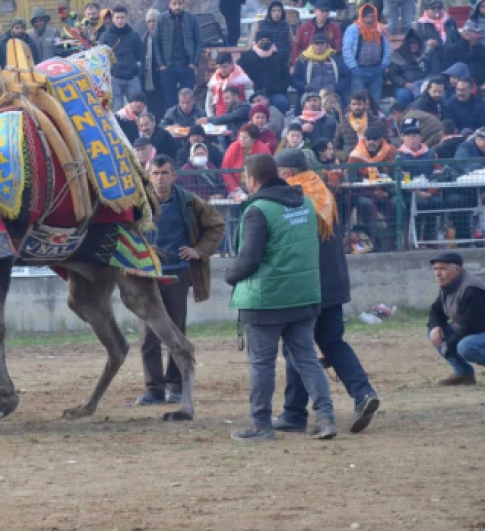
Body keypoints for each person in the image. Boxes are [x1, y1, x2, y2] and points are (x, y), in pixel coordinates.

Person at [225, 153, 337, 441]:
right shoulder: (306, 204)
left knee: (262, 363)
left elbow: (250, 258)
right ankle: (325, 418)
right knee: (306, 358)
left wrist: (229, 274)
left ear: (252, 179)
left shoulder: (257, 210)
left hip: (267, 301)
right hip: (304, 296)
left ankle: (261, 424)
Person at [273, 149, 381, 434]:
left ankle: (294, 413)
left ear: (288, 172)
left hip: (308, 285)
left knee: (298, 347)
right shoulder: (321, 192)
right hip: (333, 284)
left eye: (278, 173)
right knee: (333, 343)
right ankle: (363, 393)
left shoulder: (294, 198)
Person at [135, 156, 223, 405]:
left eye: (164, 173)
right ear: (148, 176)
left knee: (175, 330)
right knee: (148, 334)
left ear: (174, 176)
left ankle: (175, 386)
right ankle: (154, 389)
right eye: (155, 173)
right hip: (145, 276)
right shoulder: (138, 203)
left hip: (177, 273)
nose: (160, 178)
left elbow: (216, 224)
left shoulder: (188, 201)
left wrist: (199, 251)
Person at [426, 252, 485, 386]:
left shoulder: (472, 288)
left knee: (467, 346)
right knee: (433, 332)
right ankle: (463, 374)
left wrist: (449, 343)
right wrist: (435, 327)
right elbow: (436, 310)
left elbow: (472, 325)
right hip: (472, 331)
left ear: (457, 269)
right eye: (435, 269)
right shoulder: (449, 285)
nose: (437, 273)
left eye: (443, 269)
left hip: (478, 330)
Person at [155, 0, 203, 108]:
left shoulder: (191, 19)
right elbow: (156, 43)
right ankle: (171, 124)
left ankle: (188, 123)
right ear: (169, 4)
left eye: (180, 3)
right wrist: (161, 64)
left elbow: (199, 41)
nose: (177, 6)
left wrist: (194, 62)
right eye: (174, 3)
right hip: (168, 66)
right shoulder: (162, 19)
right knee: (169, 100)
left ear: (184, 4)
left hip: (187, 65)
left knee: (187, 99)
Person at [96, 5, 144, 107]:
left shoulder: (134, 36)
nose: (120, 21)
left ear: (126, 18)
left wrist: (138, 75)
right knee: (117, 110)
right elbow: (100, 58)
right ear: (113, 19)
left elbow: (141, 56)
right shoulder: (105, 36)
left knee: (136, 109)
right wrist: (108, 75)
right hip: (114, 79)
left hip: (132, 78)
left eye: (122, 18)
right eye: (117, 18)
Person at [342, 4, 391, 98]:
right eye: (367, 16)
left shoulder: (380, 29)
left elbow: (387, 48)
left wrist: (384, 65)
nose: (369, 19)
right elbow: (347, 49)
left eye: (372, 16)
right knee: (358, 99)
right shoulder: (352, 29)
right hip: (358, 70)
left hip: (377, 70)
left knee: (375, 100)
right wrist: (353, 67)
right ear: (361, 16)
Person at [292, 34, 350, 109]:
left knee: (337, 105)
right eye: (316, 44)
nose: (319, 46)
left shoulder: (336, 57)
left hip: (332, 93)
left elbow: (346, 76)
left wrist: (337, 87)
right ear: (312, 45)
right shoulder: (303, 60)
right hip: (311, 94)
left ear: (327, 45)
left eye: (322, 44)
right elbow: (295, 79)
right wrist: (305, 87)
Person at [238, 32, 289, 114]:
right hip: (253, 93)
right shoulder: (246, 57)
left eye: (267, 40)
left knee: (282, 103)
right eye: (262, 40)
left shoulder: (278, 57)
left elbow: (286, 77)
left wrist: (278, 89)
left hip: (274, 93)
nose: (265, 42)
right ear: (256, 41)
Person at [221, 124, 271, 194]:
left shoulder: (263, 150)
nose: (241, 139)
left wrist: (256, 189)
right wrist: (235, 189)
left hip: (257, 188)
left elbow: (266, 173)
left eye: (245, 137)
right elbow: (225, 169)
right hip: (236, 188)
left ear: (253, 139)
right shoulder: (233, 147)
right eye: (240, 136)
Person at [291, 0, 343, 66]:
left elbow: (338, 48)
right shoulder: (304, 27)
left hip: (328, 62)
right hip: (307, 61)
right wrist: (296, 64)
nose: (324, 14)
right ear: (315, 11)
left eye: (326, 11)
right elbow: (296, 46)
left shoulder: (334, 28)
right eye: (322, 11)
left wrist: (336, 63)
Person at [389, 29, 429, 106]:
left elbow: (434, 71)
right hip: (404, 87)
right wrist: (404, 83)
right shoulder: (398, 55)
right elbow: (392, 74)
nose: (413, 46)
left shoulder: (427, 55)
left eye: (415, 43)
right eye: (410, 43)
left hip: (424, 85)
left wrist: (425, 83)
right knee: (403, 96)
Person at [442, 22, 485, 88]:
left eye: (480, 33)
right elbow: (447, 71)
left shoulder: (483, 50)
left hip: (481, 87)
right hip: (459, 88)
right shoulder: (453, 50)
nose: (480, 36)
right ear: (466, 35)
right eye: (477, 33)